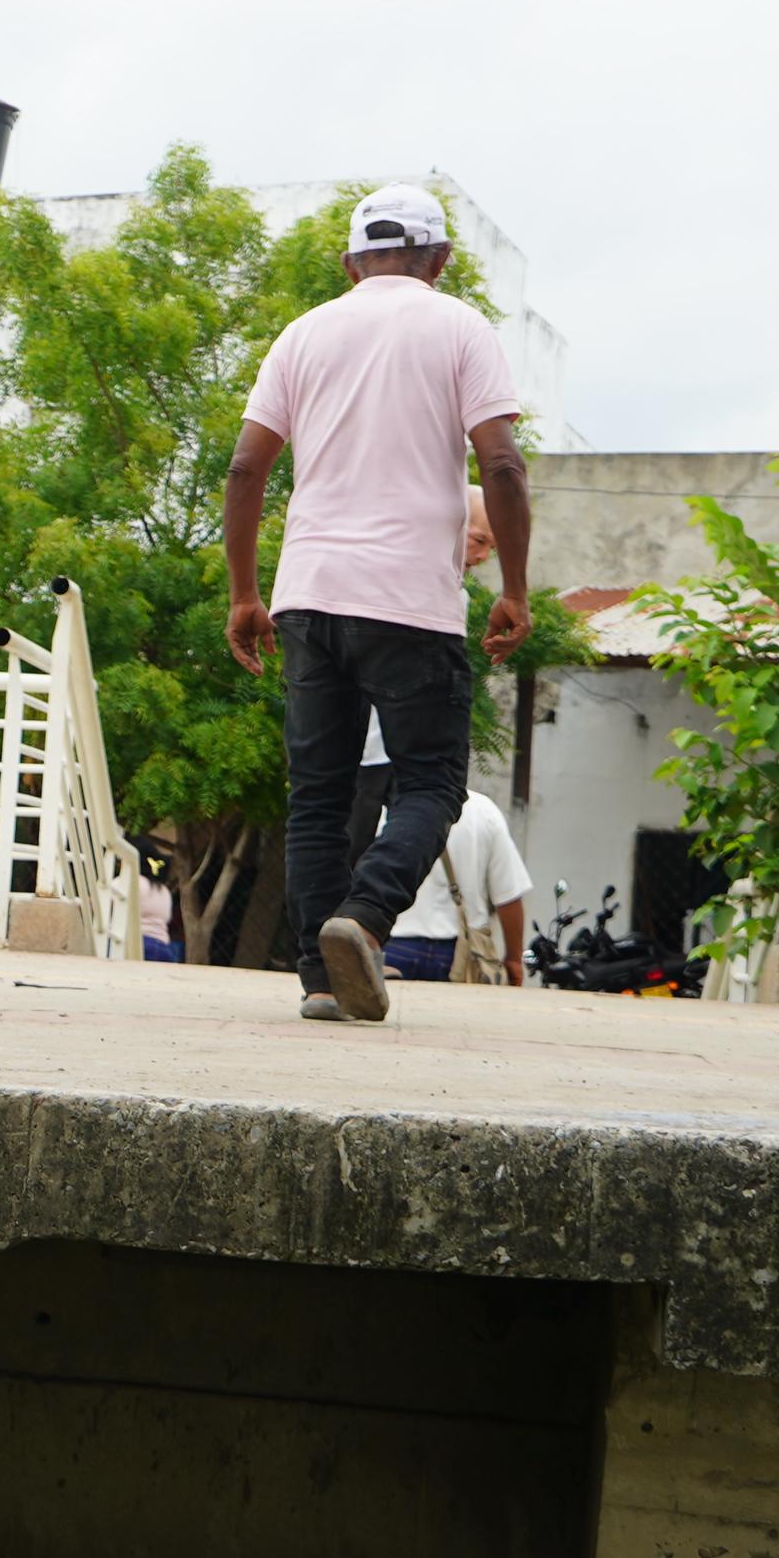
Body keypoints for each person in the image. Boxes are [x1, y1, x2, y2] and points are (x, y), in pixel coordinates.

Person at [222, 185, 531, 1024]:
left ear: (351, 262)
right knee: (431, 781)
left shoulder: (302, 334)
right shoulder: (462, 327)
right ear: (440, 259)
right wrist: (513, 588)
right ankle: (363, 919)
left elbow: (246, 469)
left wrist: (247, 594)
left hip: (309, 598)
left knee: (316, 795)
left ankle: (321, 986)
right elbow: (501, 466)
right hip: (410, 603)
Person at [383, 788, 529, 984]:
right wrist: (514, 960)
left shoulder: (387, 807)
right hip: (462, 953)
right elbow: (509, 897)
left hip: (393, 947)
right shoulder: (484, 810)